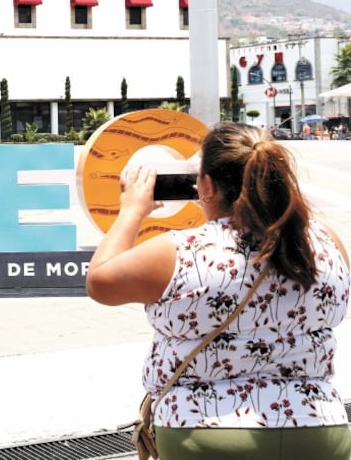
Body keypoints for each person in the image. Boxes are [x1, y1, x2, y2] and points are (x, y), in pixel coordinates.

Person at [86, 123, 350, 459]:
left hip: (204, 432)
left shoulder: (181, 252)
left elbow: (100, 282)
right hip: (319, 429)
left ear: (207, 186)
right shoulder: (324, 241)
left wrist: (132, 210)